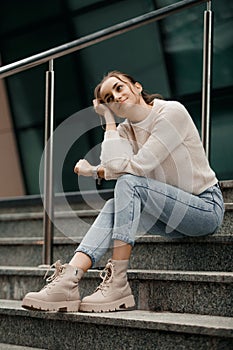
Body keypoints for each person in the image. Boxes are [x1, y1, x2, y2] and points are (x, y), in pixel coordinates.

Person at [22, 70, 224, 313]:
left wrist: (94, 172)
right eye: (107, 98)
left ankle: (118, 282)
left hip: (204, 208)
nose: (115, 97)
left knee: (129, 184)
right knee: (114, 203)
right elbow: (116, 166)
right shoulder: (125, 130)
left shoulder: (171, 113)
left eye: (119, 88)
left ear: (137, 87)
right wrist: (109, 122)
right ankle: (69, 280)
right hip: (168, 212)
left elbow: (138, 167)